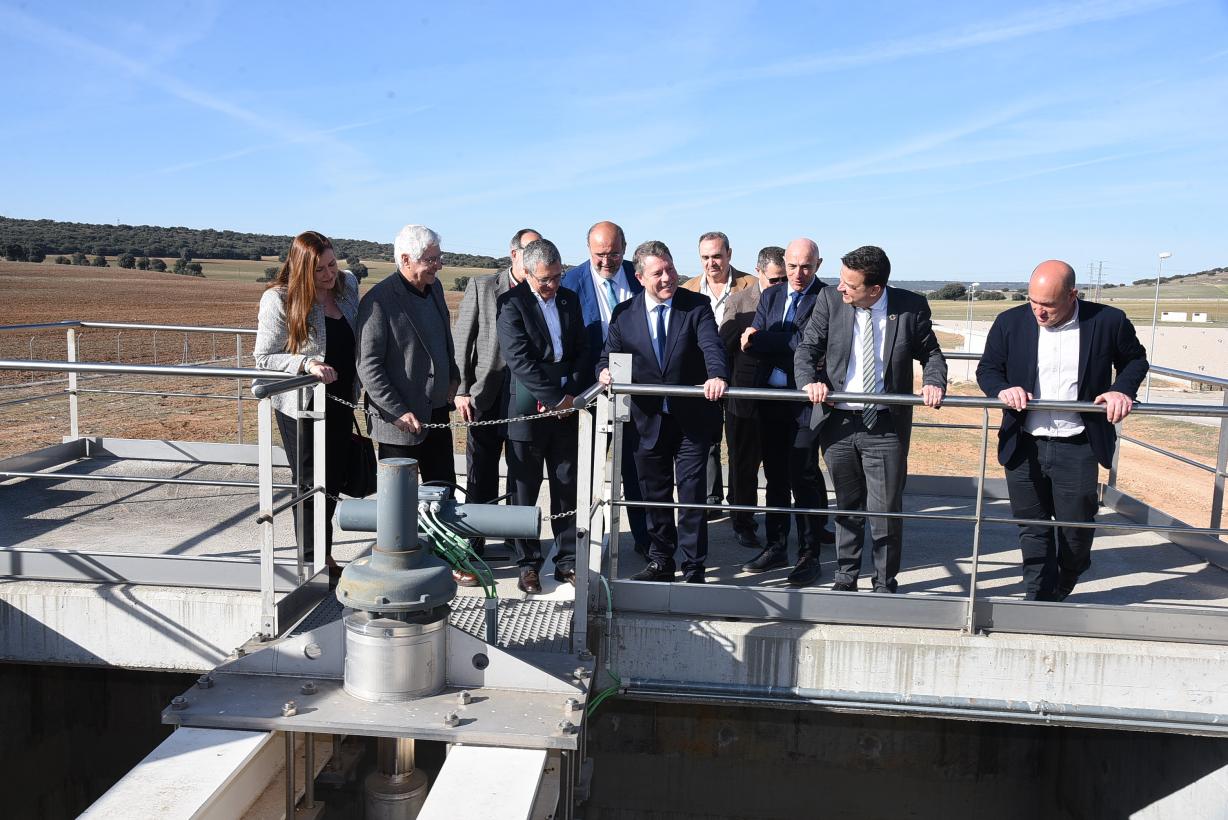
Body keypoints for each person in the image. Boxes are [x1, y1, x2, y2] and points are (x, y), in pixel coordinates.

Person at [976, 259, 1147, 601]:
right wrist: (1002, 389)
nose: (1039, 312)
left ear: (1073, 295)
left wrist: (1121, 389)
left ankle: (1065, 580)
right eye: (1033, 302)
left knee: (1075, 529)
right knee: (1032, 527)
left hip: (1079, 443)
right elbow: (988, 369)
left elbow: (1135, 360)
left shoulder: (1108, 321)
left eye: (1049, 306)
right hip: (1024, 443)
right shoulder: (1009, 322)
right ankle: (1039, 595)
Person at [796, 245, 947, 594]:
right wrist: (809, 381)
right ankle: (845, 577)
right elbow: (807, 349)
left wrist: (934, 381)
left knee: (885, 513)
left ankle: (884, 584)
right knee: (847, 507)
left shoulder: (910, 307)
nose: (840, 288)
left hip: (885, 426)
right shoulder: (831, 302)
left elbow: (931, 353)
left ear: (875, 289)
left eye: (850, 283)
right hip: (839, 424)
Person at [597, 240, 728, 583]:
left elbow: (711, 345)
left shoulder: (696, 306)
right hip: (647, 422)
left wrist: (717, 375)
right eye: (658, 273)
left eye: (670, 268)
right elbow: (607, 356)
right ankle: (661, 560)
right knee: (653, 495)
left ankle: (694, 566)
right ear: (640, 277)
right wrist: (604, 372)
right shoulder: (624, 314)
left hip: (690, 422)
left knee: (690, 495)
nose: (668, 277)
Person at [253, 230, 360, 574]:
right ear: (301, 270)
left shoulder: (348, 286)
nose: (331, 275)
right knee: (311, 481)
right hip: (301, 406)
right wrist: (306, 363)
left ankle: (322, 554)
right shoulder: (278, 300)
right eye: (321, 270)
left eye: (333, 264)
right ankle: (315, 560)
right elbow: (264, 358)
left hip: (342, 400)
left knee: (333, 479)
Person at [739, 237, 833, 587]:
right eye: (792, 266)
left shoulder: (827, 298)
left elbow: (806, 346)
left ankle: (809, 554)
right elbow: (755, 348)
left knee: (803, 473)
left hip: (805, 402)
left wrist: (763, 338)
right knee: (775, 475)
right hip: (771, 398)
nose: (797, 273)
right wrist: (771, 341)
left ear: (818, 265)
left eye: (806, 266)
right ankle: (776, 544)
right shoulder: (771, 295)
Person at [497, 238, 587, 594]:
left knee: (566, 485)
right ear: (528, 274)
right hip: (528, 407)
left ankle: (567, 560)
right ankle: (527, 563)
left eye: (556, 277)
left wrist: (572, 395)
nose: (551, 286)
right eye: (544, 280)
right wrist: (555, 400)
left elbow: (581, 348)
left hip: (567, 404)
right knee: (524, 489)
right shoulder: (511, 304)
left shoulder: (569, 299)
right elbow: (520, 361)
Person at [561, 220, 651, 556]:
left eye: (613, 253)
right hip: (590, 394)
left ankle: (645, 539)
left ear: (624, 250)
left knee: (638, 469)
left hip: (639, 393)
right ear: (588, 250)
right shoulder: (569, 284)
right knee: (587, 473)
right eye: (599, 254)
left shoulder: (641, 277)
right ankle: (588, 543)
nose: (606, 261)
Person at [453, 228, 541, 561]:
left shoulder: (541, 289)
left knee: (522, 471)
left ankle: (515, 541)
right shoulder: (483, 287)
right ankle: (473, 545)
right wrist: (461, 389)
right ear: (514, 254)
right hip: (485, 393)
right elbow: (463, 340)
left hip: (525, 396)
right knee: (482, 471)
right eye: (531, 250)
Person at [356, 224, 459, 483]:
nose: (439, 265)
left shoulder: (434, 288)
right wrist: (397, 411)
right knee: (400, 511)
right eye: (431, 259)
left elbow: (443, 341)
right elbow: (368, 366)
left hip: (436, 417)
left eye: (439, 258)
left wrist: (453, 378)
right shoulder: (378, 301)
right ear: (405, 259)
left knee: (443, 497)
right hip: (400, 425)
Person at [683, 231, 756, 516]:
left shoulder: (750, 285)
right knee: (706, 439)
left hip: (740, 375)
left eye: (717, 256)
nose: (711, 263)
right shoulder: (688, 289)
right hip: (702, 375)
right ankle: (710, 500)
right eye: (705, 257)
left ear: (729, 254)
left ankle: (739, 504)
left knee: (740, 440)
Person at [718, 245, 786, 549]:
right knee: (744, 466)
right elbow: (725, 343)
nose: (780, 285)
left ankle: (782, 524)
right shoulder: (739, 301)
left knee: (783, 466)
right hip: (745, 399)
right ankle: (743, 522)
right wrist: (753, 331)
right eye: (774, 279)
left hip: (782, 396)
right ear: (758, 272)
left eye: (783, 279)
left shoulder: (793, 299)